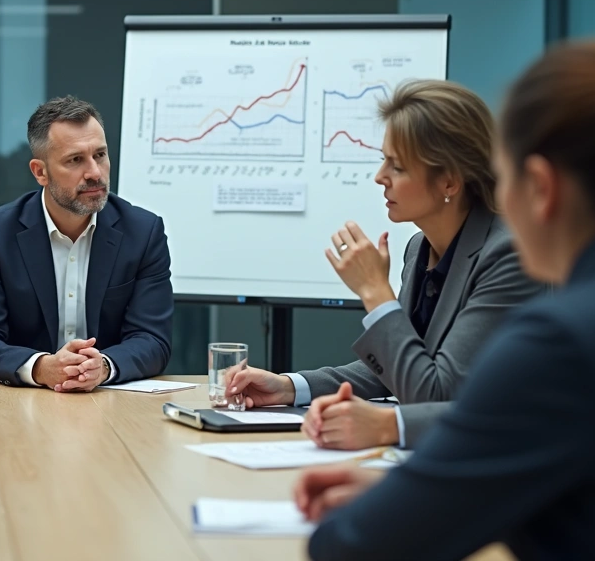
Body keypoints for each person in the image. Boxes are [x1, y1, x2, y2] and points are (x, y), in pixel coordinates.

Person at [299, 41, 595, 560]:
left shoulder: (567, 338)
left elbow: (351, 546)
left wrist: (427, 493)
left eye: (503, 173)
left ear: (540, 187)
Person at [229, 80, 543, 450]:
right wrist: (290, 386)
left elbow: (434, 393)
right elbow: (399, 368)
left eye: (397, 166)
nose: (380, 177)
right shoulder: (419, 247)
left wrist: (375, 293)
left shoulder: (508, 256)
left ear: (449, 180)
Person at [0, 96, 173, 389]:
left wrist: (103, 367)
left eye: (100, 155)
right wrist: (42, 367)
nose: (95, 172)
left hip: (111, 402)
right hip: (20, 407)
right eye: (75, 160)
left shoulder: (143, 232)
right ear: (40, 172)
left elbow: (153, 340)